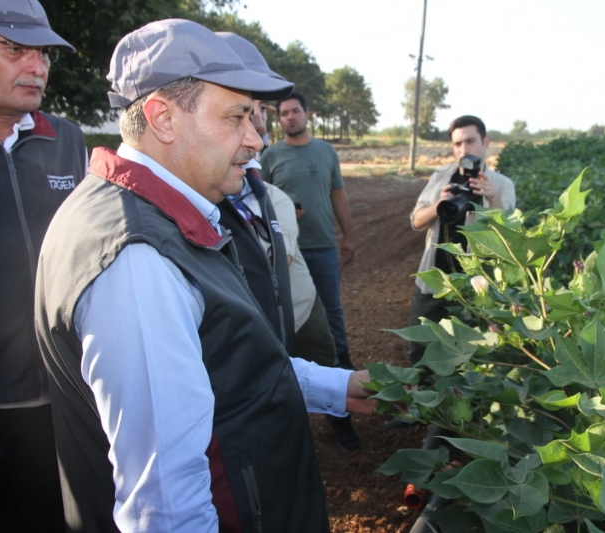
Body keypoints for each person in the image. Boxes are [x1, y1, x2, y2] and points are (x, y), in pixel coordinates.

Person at [34, 19, 375, 532]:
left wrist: (338, 384)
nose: (256, 139)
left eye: (256, 119)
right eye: (237, 117)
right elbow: (166, 506)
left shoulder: (160, 218)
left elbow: (224, 364)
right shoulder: (137, 260)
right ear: (163, 119)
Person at [216, 31, 361, 452]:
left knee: (324, 343)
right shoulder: (217, 180)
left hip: (300, 297)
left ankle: (341, 421)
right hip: (255, 309)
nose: (256, 126)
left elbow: (336, 196)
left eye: (257, 112)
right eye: (242, 113)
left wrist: (341, 234)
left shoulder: (271, 184)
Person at [0, 1, 85, 531]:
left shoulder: (66, 141)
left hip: (57, 401)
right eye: (14, 48)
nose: (37, 66)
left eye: (43, 52)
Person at [407, 115, 516, 367]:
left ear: (485, 142)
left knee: (473, 357)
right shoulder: (442, 176)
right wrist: (439, 204)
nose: (464, 150)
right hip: (434, 281)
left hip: (477, 286)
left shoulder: (501, 185)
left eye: (470, 141)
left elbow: (509, 237)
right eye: (457, 144)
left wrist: (492, 200)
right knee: (421, 351)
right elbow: (416, 221)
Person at [261, 91, 356, 370]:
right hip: (290, 252)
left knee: (332, 310)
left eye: (295, 111)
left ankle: (343, 365)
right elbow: (261, 199)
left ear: (307, 114)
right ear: (279, 120)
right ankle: (296, 369)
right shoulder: (270, 156)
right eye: (284, 114)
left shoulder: (326, 151)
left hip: (324, 245)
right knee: (293, 312)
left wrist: (348, 236)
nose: (290, 117)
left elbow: (338, 195)